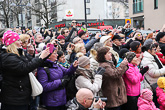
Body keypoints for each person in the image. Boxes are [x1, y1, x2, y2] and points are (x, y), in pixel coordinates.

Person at [1, 30, 50, 110]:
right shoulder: (8, 57)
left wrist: (45, 55)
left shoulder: (18, 53)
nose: (21, 42)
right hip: (14, 99)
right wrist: (41, 57)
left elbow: (31, 61)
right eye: (18, 40)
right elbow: (24, 68)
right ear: (12, 43)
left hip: (20, 96)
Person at [37, 46, 78, 110]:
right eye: (55, 53)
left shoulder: (57, 65)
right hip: (52, 102)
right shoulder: (43, 69)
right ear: (49, 56)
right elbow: (44, 86)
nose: (57, 55)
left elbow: (67, 72)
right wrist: (60, 82)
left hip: (62, 99)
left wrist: (73, 67)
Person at [141, 39, 165, 107]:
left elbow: (160, 66)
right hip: (153, 86)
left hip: (159, 84)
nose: (156, 50)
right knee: (156, 103)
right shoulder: (146, 59)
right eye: (154, 49)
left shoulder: (154, 56)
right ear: (149, 50)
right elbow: (153, 73)